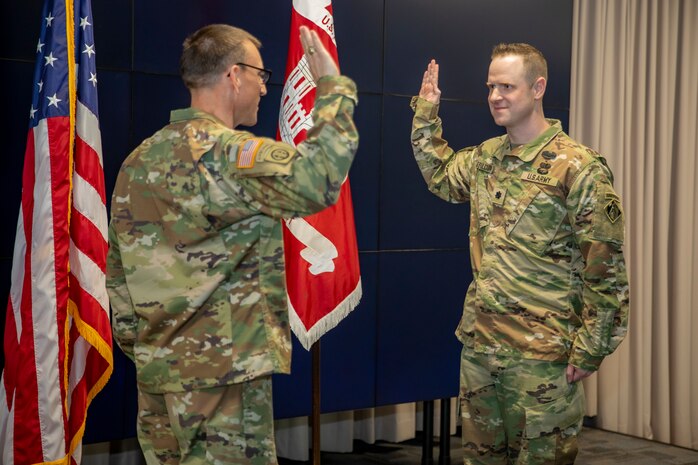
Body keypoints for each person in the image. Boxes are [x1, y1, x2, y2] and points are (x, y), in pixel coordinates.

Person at [106, 24, 359, 465]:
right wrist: (333, 89)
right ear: (233, 75)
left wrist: (151, 351)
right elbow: (318, 180)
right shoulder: (229, 154)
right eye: (261, 76)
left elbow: (119, 277)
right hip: (223, 382)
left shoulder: (139, 159)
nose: (264, 87)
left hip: (156, 379)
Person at [410, 44, 629, 464]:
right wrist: (426, 113)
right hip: (481, 350)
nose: (495, 96)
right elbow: (440, 176)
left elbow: (605, 268)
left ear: (538, 87)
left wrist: (591, 348)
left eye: (507, 86)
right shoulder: (486, 158)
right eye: (491, 86)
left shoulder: (578, 167)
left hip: (542, 358)